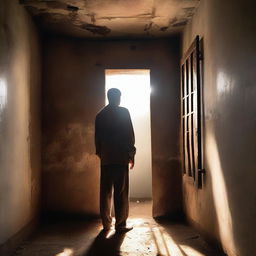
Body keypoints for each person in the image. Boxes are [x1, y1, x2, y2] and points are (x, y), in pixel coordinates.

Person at [95, 88, 136, 232]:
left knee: (105, 192)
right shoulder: (123, 112)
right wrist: (131, 154)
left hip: (106, 158)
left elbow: (97, 140)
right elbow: (129, 135)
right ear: (118, 97)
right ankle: (120, 225)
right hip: (120, 157)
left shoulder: (100, 115)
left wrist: (102, 154)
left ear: (108, 97)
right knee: (121, 192)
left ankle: (106, 224)